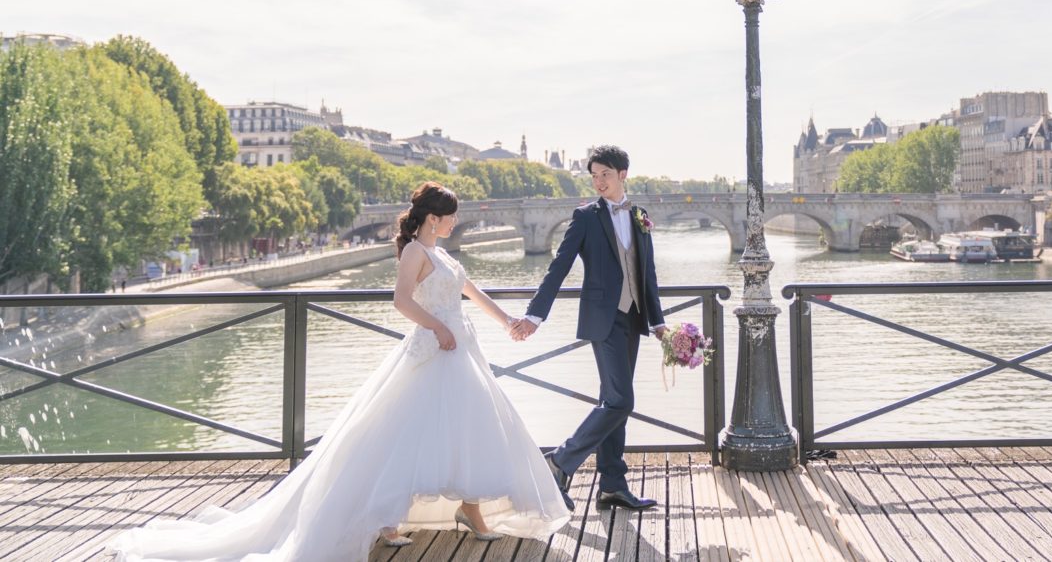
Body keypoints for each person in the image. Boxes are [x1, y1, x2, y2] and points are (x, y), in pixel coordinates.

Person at [113, 182, 571, 561]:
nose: (456, 221)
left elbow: (471, 292)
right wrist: (437, 328)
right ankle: (389, 519)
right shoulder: (415, 252)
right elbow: (402, 302)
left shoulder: (444, 255)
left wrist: (509, 322)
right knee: (404, 433)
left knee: (469, 429)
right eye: (451, 215)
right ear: (435, 218)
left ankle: (470, 510)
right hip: (436, 347)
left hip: (460, 347)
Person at [513, 144, 666, 511]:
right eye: (594, 175)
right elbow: (559, 267)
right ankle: (560, 461)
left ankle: (612, 485)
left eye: (605, 175)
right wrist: (535, 315)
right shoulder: (584, 217)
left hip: (634, 318)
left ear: (623, 174)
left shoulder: (640, 215)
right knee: (620, 401)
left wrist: (659, 323)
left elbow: (647, 275)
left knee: (614, 402)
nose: (599, 182)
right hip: (604, 319)